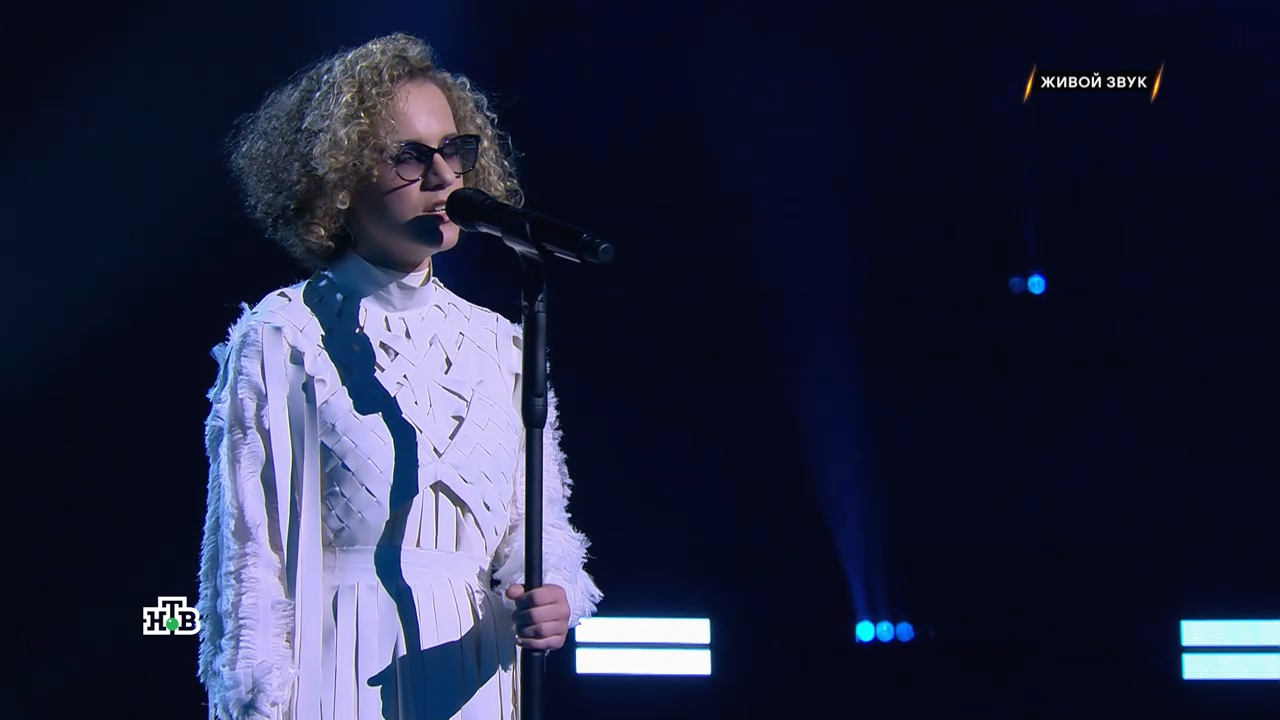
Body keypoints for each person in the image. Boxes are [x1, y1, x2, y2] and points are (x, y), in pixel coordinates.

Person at [197, 33, 602, 720]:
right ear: (339, 178)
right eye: (409, 156)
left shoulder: (501, 344)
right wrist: (255, 705)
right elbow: (248, 559)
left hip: (471, 674)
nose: (443, 177)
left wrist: (554, 590)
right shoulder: (283, 335)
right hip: (338, 672)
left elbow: (538, 526)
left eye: (455, 151)